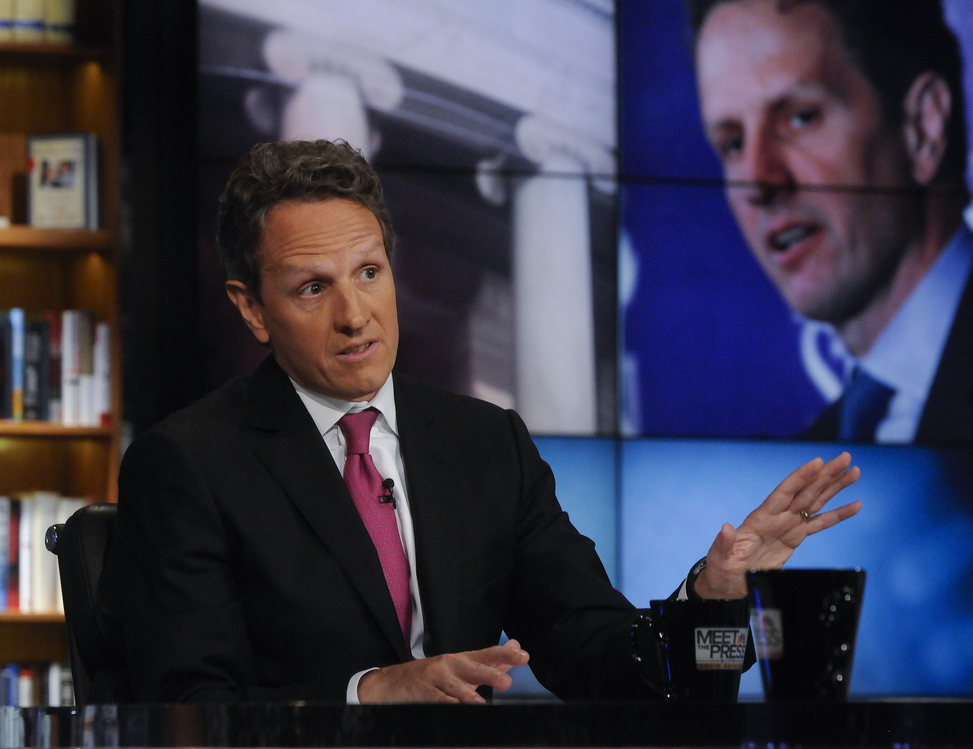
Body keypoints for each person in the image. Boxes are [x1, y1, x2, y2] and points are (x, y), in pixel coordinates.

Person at [98, 139, 861, 704]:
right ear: (250, 308)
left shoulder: (484, 444)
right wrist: (368, 691)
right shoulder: (189, 463)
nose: (354, 314)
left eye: (369, 272)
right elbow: (187, 710)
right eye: (311, 288)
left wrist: (716, 596)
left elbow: (611, 665)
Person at [689, 0, 972, 444]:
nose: (757, 180)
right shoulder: (804, 468)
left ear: (923, 128)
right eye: (733, 143)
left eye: (800, 118)